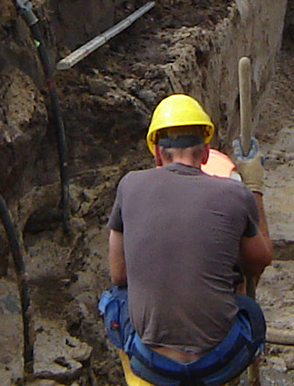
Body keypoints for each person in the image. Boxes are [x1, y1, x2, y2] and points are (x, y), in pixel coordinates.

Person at [100, 93, 271, 386]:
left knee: (115, 300)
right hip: (216, 364)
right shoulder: (234, 194)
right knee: (250, 310)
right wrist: (254, 187)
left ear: (156, 154)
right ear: (205, 153)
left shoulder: (129, 186)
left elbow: (119, 274)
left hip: (155, 369)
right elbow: (259, 262)